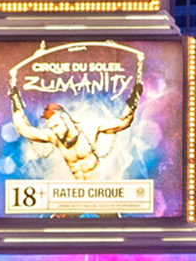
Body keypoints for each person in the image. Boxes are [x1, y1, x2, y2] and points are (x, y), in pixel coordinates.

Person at [9, 71, 143, 180]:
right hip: (77, 196)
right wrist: (15, 98)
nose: (54, 131)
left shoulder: (91, 128)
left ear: (66, 119)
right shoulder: (54, 137)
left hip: (99, 196)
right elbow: (23, 129)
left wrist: (134, 98)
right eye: (51, 127)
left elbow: (124, 122)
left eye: (56, 125)